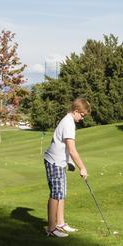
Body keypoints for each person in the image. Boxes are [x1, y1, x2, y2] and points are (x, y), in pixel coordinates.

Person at [43, 98, 90, 238]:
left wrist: (69, 162)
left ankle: (61, 223)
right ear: (76, 111)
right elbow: (72, 149)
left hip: (60, 161)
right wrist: (82, 167)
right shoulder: (68, 123)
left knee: (61, 193)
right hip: (54, 161)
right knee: (56, 193)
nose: (82, 118)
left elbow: (65, 147)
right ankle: (51, 229)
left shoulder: (69, 121)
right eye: (82, 115)